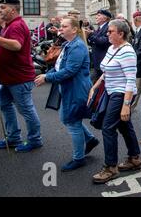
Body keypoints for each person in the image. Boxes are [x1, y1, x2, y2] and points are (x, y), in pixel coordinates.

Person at [34, 17, 99, 171]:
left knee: (72, 121)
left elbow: (69, 71)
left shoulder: (77, 47)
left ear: (74, 29)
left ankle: (79, 158)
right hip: (69, 88)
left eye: (64, 26)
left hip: (76, 90)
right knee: (68, 119)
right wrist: (46, 74)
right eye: (60, 26)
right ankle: (90, 139)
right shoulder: (68, 44)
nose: (60, 29)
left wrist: (47, 77)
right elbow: (59, 66)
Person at [0, 0, 42, 152]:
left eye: (3, 8)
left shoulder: (16, 26)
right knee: (3, 104)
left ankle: (35, 140)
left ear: (13, 9)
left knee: (26, 109)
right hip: (9, 78)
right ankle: (14, 137)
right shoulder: (8, 25)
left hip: (19, 78)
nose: (0, 11)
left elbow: (16, 46)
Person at [91, 19, 141, 184]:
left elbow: (130, 80)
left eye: (110, 31)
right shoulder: (112, 48)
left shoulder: (127, 51)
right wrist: (95, 86)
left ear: (121, 34)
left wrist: (126, 106)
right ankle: (134, 158)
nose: (107, 34)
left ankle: (110, 168)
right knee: (124, 125)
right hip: (111, 91)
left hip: (122, 93)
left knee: (108, 127)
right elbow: (106, 70)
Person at [86, 9, 112, 82]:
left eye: (98, 15)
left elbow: (103, 41)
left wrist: (90, 35)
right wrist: (88, 37)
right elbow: (93, 42)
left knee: (93, 84)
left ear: (105, 18)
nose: (96, 17)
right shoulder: (99, 28)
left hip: (103, 61)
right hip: (97, 62)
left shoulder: (108, 27)